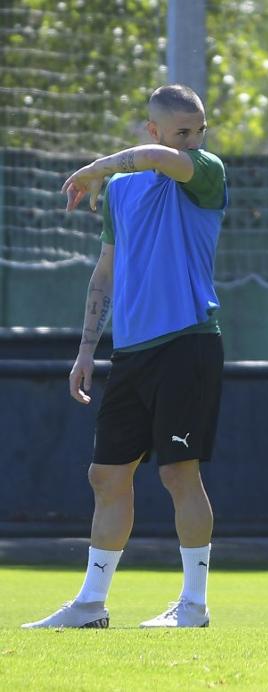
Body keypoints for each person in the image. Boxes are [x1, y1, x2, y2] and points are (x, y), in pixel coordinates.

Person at [23, 84, 228, 630]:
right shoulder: (119, 191)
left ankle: (194, 607)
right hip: (132, 356)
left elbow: (163, 162)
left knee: (180, 475)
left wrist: (93, 168)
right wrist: (86, 350)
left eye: (199, 130)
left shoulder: (203, 171)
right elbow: (105, 272)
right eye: (181, 132)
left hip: (189, 344)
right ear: (153, 128)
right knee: (105, 476)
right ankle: (91, 605)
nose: (194, 140)